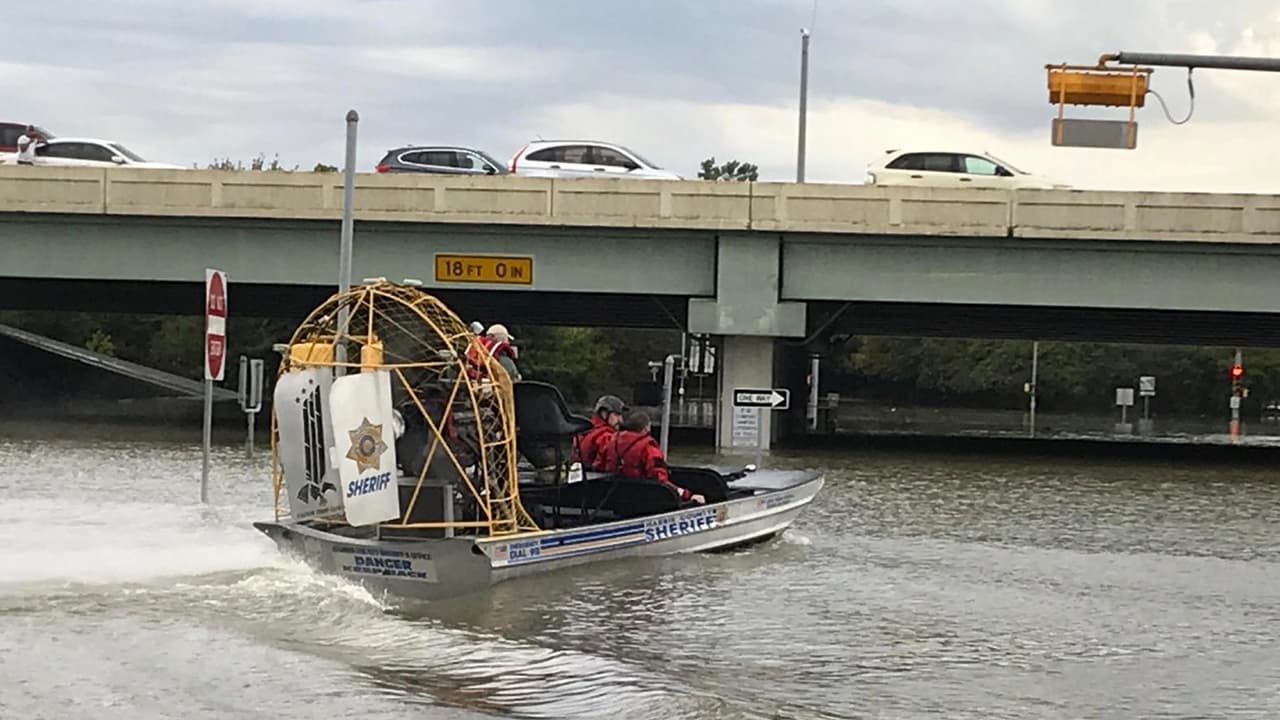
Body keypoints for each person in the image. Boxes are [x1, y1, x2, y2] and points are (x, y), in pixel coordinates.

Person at [600, 409, 704, 504]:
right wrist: (688, 495)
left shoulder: (611, 443)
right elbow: (660, 481)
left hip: (615, 497)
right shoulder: (648, 448)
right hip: (643, 500)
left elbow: (601, 466)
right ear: (646, 428)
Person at [573, 394, 625, 470]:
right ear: (604, 414)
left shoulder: (584, 432)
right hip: (598, 479)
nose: (621, 420)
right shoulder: (606, 436)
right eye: (616, 415)